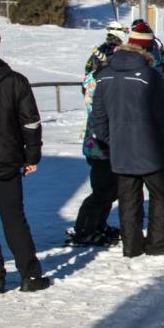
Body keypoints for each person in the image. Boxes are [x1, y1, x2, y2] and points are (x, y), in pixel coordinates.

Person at [89, 23, 164, 257]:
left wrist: (112, 141)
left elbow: (98, 118)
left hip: (120, 150)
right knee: (163, 195)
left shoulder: (103, 76)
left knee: (128, 199)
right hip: (151, 148)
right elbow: (163, 116)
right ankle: (158, 243)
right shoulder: (149, 75)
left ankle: (131, 246)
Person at [0, 27, 48, 293]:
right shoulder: (15, 81)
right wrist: (32, 155)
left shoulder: (14, 80)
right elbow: (30, 122)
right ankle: (29, 276)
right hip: (6, 160)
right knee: (13, 219)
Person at [67, 55, 121, 247]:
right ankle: (84, 229)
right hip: (100, 144)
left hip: (102, 143)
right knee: (102, 190)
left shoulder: (97, 79)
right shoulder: (100, 82)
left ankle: (98, 224)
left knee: (110, 189)